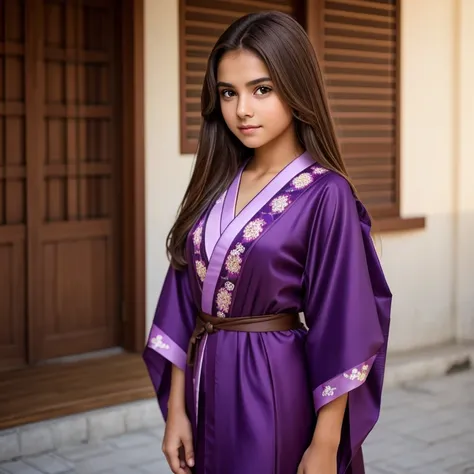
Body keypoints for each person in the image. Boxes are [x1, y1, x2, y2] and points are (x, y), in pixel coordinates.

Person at [143, 10, 392, 474]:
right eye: (228, 93)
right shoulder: (216, 184)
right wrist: (176, 411)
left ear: (295, 88)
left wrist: (325, 443)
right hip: (204, 380)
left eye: (262, 89)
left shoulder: (326, 193)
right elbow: (182, 303)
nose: (242, 110)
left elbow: (344, 323)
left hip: (273, 384)